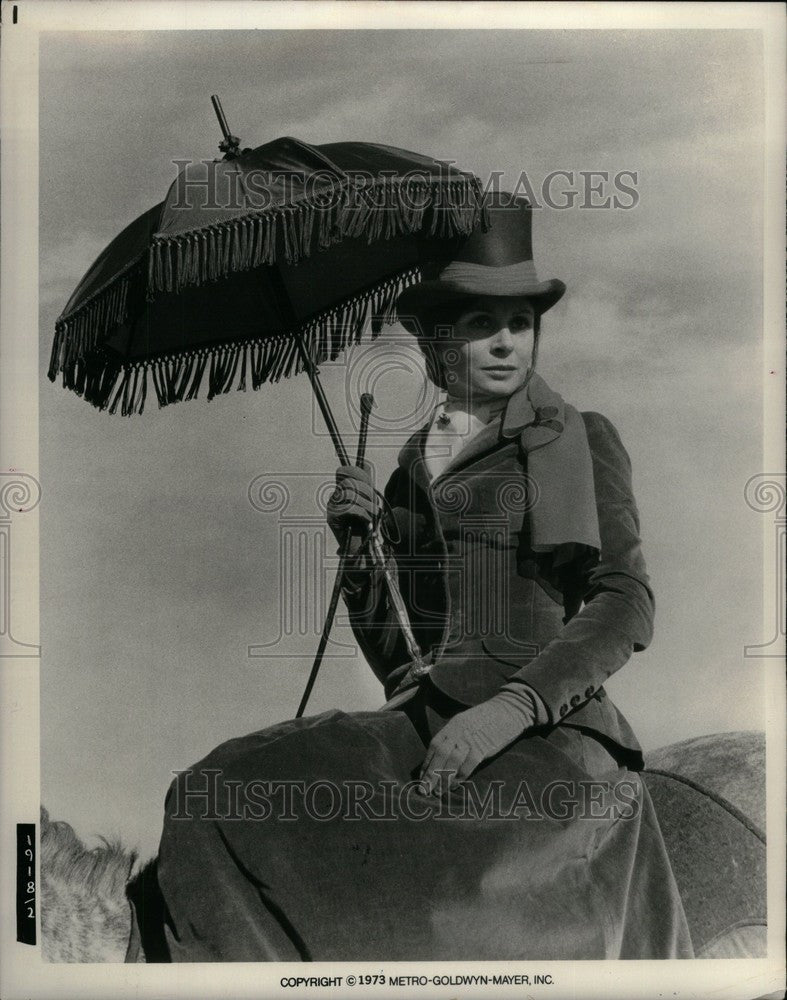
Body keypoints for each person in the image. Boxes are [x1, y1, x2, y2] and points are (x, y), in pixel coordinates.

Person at [154, 194, 694, 962]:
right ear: (438, 342)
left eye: (520, 323)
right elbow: (400, 653)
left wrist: (505, 712)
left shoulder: (582, 436)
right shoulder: (412, 467)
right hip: (419, 720)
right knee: (215, 792)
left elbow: (625, 604)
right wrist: (359, 549)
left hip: (545, 734)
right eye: (481, 324)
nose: (506, 343)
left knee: (440, 910)